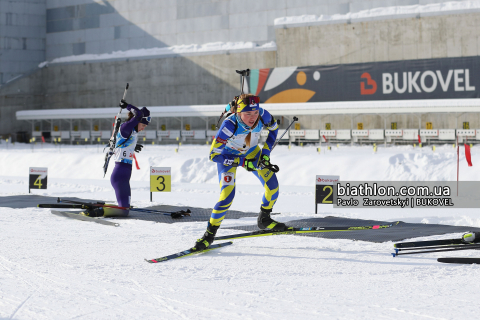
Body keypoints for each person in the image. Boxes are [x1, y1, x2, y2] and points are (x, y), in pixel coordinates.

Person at [193, 93, 285, 251]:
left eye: (255, 113)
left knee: (273, 186)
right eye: (248, 113)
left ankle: (264, 218)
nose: (253, 117)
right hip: (228, 156)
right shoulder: (230, 125)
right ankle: (209, 235)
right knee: (227, 196)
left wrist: (266, 153)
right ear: (238, 112)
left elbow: (274, 130)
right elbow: (214, 155)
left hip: (251, 151)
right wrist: (242, 162)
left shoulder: (263, 115)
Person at [83, 100, 151, 217]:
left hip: (125, 176)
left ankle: (98, 207)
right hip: (119, 175)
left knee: (125, 209)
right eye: (143, 125)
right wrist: (127, 106)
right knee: (124, 211)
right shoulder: (125, 128)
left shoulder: (132, 133)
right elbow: (138, 114)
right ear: (137, 121)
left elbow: (122, 146)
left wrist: (133, 147)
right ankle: (97, 210)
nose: (143, 128)